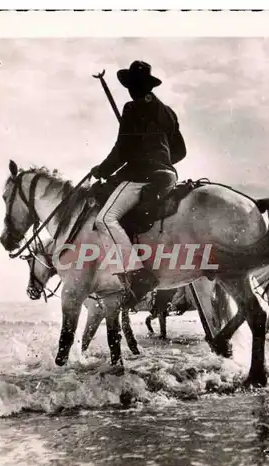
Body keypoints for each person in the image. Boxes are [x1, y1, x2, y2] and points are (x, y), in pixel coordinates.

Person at [91, 60, 187, 308]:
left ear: (135, 86)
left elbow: (122, 149)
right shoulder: (168, 111)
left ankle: (138, 274)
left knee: (105, 219)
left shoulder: (131, 107)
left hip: (143, 176)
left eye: (131, 86)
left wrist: (101, 170)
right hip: (168, 176)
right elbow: (180, 151)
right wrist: (161, 159)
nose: (130, 91)